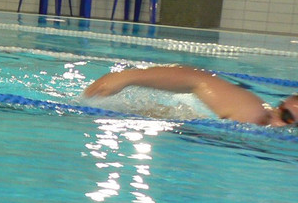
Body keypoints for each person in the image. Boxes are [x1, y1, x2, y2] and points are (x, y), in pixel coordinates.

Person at [84, 65, 298, 128]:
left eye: (287, 118)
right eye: (280, 108)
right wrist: (128, 77)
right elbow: (197, 80)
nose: (273, 115)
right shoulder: (256, 113)